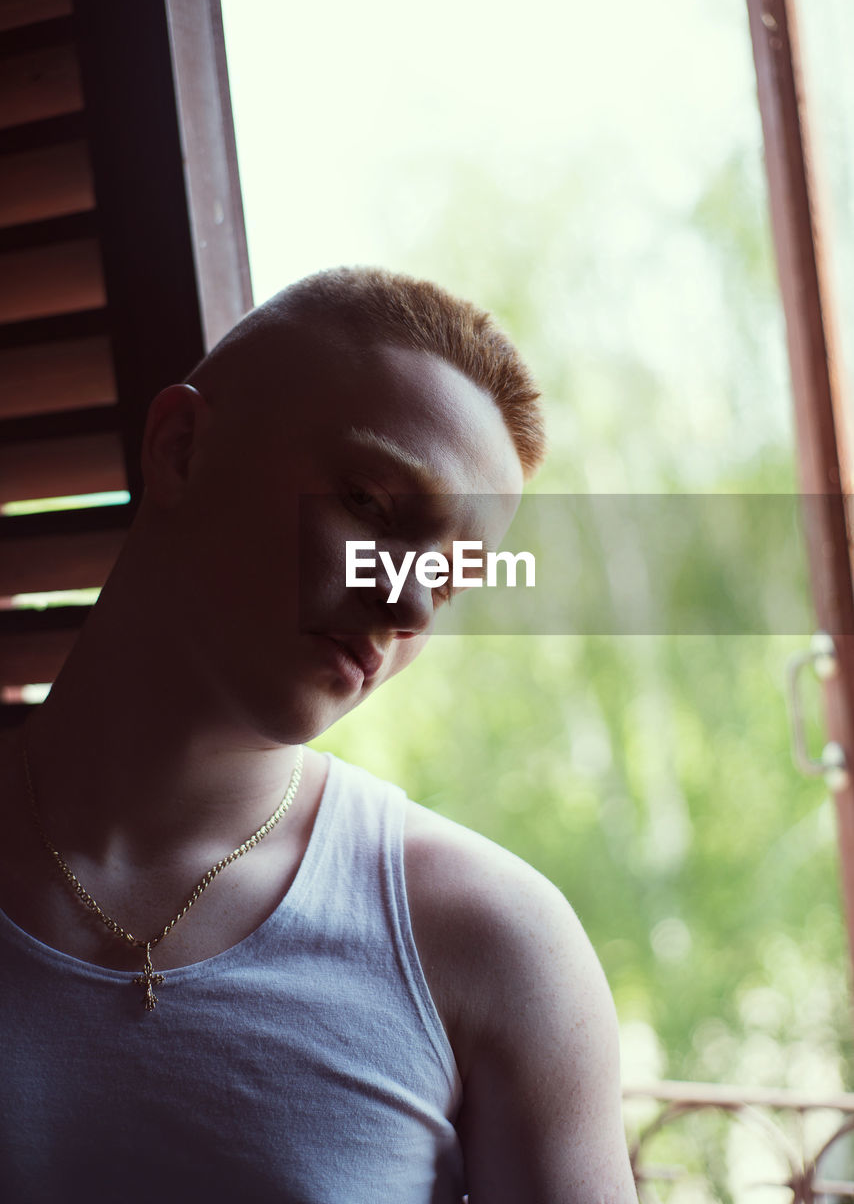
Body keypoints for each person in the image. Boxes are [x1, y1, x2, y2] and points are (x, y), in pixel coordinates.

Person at [0, 266, 637, 1202]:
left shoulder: (489, 943)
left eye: (450, 580)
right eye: (373, 506)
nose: (410, 601)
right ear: (180, 448)